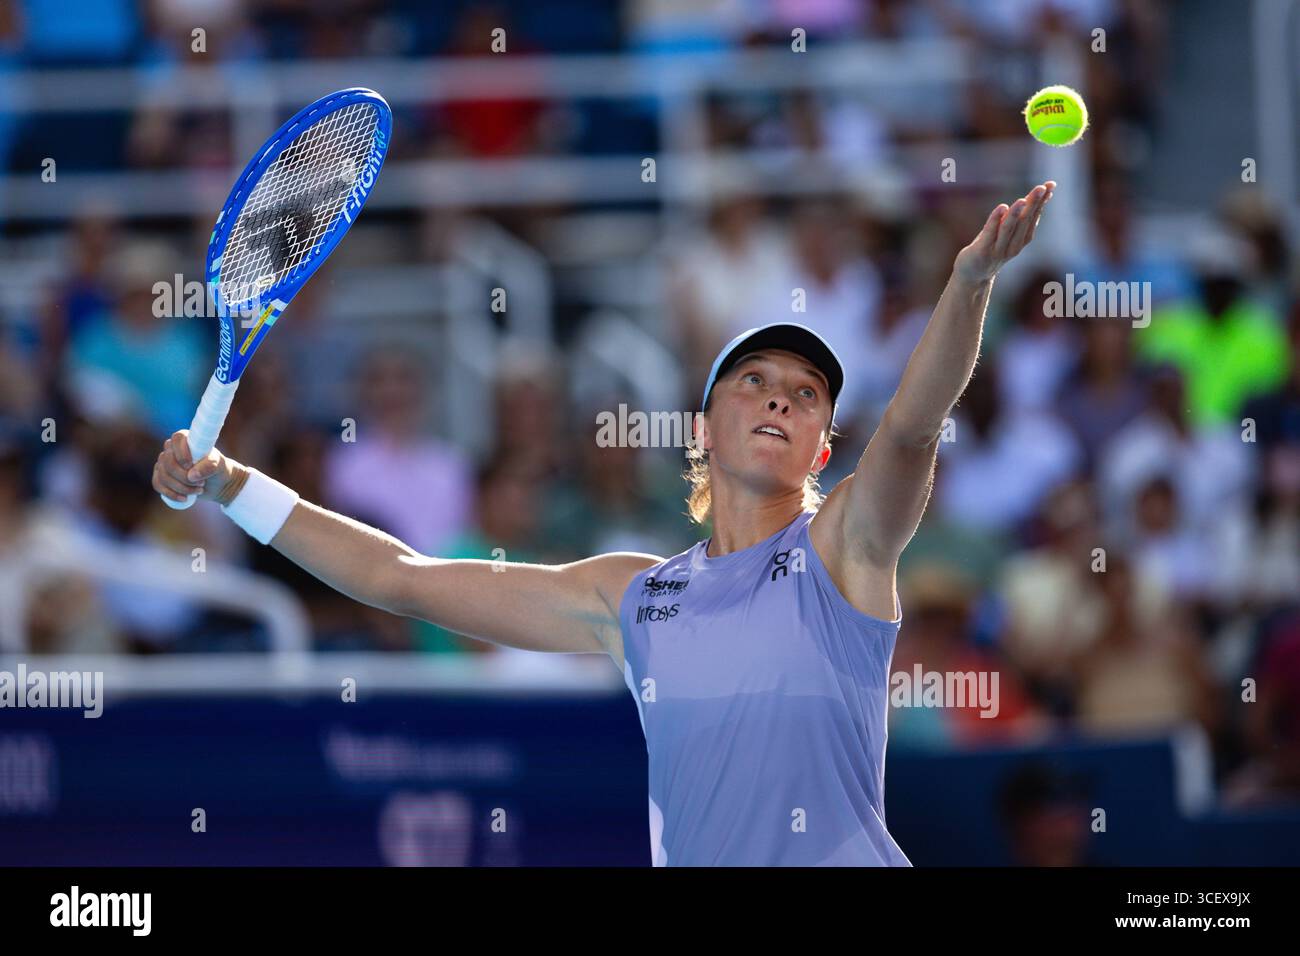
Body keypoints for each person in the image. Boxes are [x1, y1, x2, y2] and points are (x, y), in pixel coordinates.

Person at [152, 181, 1057, 866]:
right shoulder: (632, 594)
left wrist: (969, 281)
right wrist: (232, 483)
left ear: (822, 448)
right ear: (703, 430)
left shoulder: (845, 554)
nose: (781, 395)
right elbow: (401, 578)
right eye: (756, 380)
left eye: (807, 392)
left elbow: (908, 428)